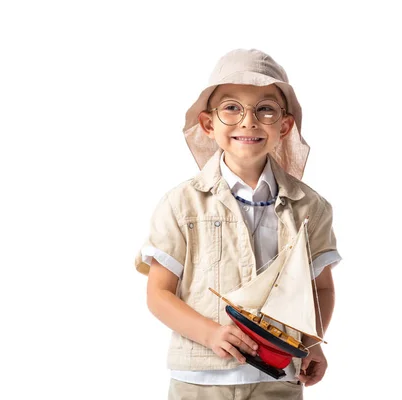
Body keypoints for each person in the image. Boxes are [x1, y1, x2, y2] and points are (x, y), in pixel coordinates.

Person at [134, 48, 342, 400]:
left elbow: (320, 290)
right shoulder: (180, 204)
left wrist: (310, 343)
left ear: (285, 125)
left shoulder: (310, 207)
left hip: (277, 377)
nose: (248, 121)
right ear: (208, 124)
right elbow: (158, 293)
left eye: (265, 109)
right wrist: (211, 334)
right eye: (232, 107)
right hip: (200, 380)